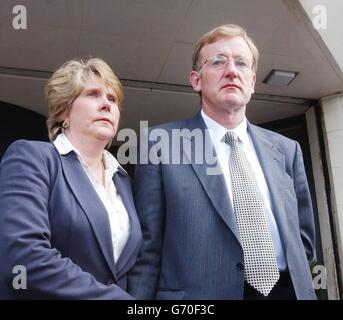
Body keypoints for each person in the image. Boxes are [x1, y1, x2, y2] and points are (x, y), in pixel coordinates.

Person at [128, 24, 316, 300]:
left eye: (241, 63)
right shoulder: (160, 143)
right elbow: (148, 247)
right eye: (218, 61)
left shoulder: (287, 150)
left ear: (251, 81)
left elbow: (304, 240)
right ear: (196, 80)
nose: (231, 70)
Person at [0, 58, 142, 299]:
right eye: (92, 94)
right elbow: (23, 258)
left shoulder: (123, 182)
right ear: (64, 111)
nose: (106, 104)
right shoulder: (34, 158)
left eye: (112, 99)